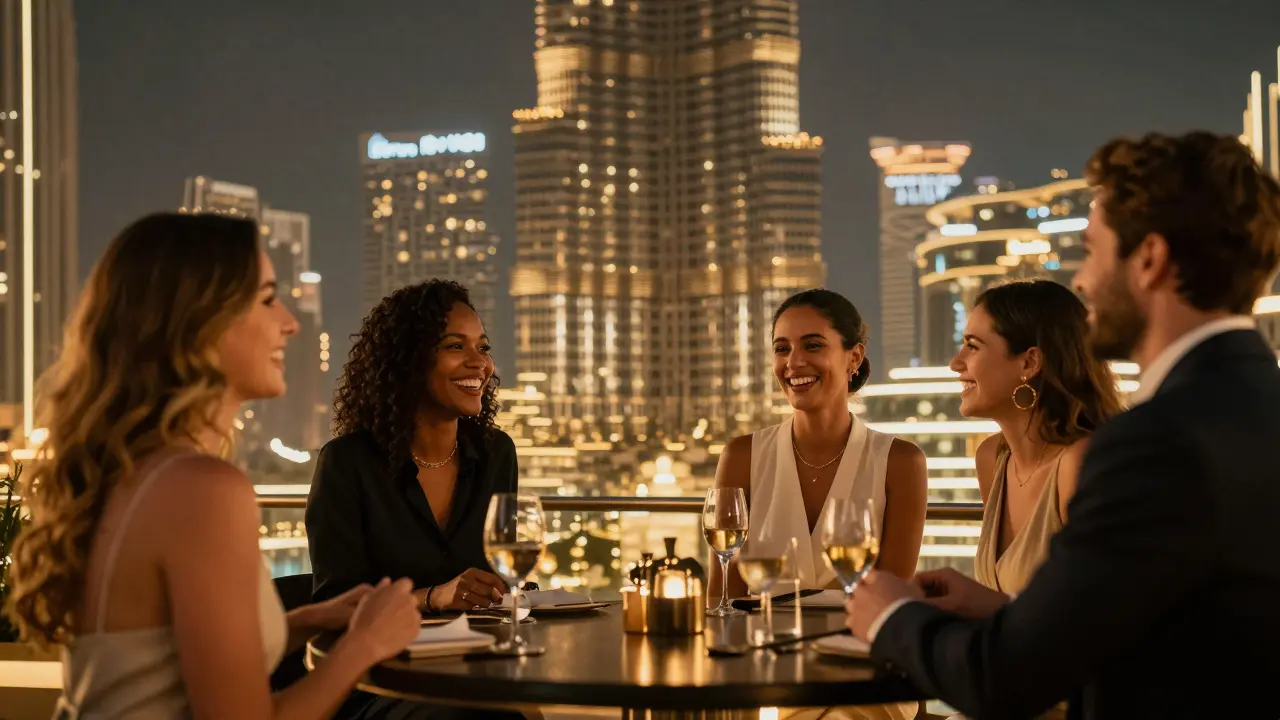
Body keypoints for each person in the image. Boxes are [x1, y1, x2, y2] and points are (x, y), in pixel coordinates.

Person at [846, 131, 1280, 719]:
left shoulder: (1152, 444)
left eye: (1091, 250)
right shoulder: (1253, 405)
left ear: (1148, 259)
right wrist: (1006, 608)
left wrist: (892, 617)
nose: (1080, 279)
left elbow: (1004, 679)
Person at [7, 213, 420, 719]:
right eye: (267, 299)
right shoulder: (202, 489)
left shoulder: (141, 472)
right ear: (199, 323)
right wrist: (366, 645)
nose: (290, 322)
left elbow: (168, 658)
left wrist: (310, 620)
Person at [306, 279, 520, 719]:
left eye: (483, 346)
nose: (478, 362)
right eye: (455, 346)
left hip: (474, 673)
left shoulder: (497, 454)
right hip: (376, 681)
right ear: (407, 362)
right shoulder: (347, 463)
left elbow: (503, 577)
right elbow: (334, 607)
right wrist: (432, 597)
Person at [710, 290, 927, 720]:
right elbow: (723, 599)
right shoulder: (741, 457)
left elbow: (886, 599)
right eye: (782, 348)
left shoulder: (900, 462)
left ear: (853, 357)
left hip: (861, 673)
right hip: (763, 672)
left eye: (812, 345)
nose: (794, 362)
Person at [953, 280, 1123, 598]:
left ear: (1029, 363)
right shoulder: (991, 458)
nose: (955, 363)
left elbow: (1102, 609)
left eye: (973, 346)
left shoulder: (1080, 463)